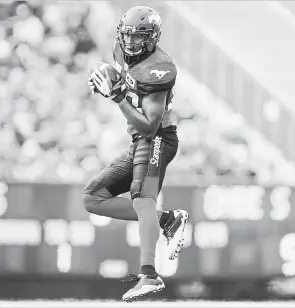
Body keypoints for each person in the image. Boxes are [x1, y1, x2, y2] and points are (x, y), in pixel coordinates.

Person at [84, 6, 188, 302]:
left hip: (157, 137)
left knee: (142, 198)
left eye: (138, 36)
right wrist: (103, 80)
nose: (130, 42)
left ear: (152, 37)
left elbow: (149, 123)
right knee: (92, 198)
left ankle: (149, 276)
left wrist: (116, 96)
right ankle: (168, 220)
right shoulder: (120, 50)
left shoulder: (161, 67)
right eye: (127, 35)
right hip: (139, 140)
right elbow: (123, 75)